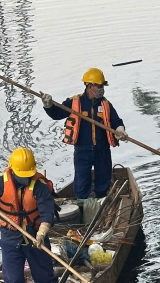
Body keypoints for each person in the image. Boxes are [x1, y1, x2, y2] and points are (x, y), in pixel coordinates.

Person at [0, 147, 58, 283]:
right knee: (12, 279)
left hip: (34, 235)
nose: (25, 178)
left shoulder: (40, 186)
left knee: (45, 277)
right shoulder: (2, 182)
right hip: (10, 236)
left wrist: (41, 233)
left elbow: (47, 212)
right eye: (22, 175)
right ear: (13, 170)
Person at [41, 68, 126, 200]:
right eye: (99, 86)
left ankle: (101, 199)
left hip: (102, 149)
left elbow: (116, 120)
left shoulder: (106, 104)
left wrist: (120, 130)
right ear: (90, 86)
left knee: (103, 177)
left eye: (102, 86)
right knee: (81, 179)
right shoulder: (75, 102)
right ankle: (81, 205)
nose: (102, 89)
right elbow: (57, 114)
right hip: (82, 150)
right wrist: (48, 106)